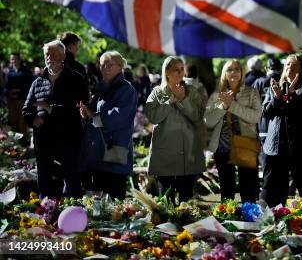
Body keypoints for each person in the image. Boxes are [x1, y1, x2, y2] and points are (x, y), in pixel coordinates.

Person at [22, 41, 88, 197]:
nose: (49, 57)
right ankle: (46, 214)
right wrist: (33, 120)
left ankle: (73, 215)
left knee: (71, 181)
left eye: (53, 54)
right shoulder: (37, 82)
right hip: (43, 140)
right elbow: (26, 109)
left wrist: (50, 108)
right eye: (47, 54)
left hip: (68, 138)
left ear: (63, 56)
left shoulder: (76, 79)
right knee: (45, 181)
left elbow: (79, 108)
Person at [145, 56, 206, 201]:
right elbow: (153, 117)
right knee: (166, 202)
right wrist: (169, 101)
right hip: (165, 157)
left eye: (181, 69)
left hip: (188, 155)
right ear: (166, 72)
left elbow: (198, 116)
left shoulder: (192, 91)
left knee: (186, 202)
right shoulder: (157, 92)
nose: (179, 73)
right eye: (175, 70)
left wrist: (183, 99)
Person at [79, 51, 137, 199]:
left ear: (120, 67)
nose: (105, 68)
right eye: (102, 64)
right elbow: (92, 115)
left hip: (114, 152)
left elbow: (118, 118)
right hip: (96, 154)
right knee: (98, 204)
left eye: (109, 64)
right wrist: (85, 113)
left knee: (115, 203)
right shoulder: (101, 88)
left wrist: (93, 117)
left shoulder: (127, 89)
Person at [260, 54, 302, 206]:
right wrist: (277, 97)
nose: (290, 68)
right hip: (276, 146)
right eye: (288, 65)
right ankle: (268, 218)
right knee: (273, 188)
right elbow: (266, 112)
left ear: (300, 70)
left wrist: (291, 95)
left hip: (298, 147)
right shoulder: (275, 87)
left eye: (294, 65)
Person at [205, 60, 261, 203]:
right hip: (222, 146)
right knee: (227, 191)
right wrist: (224, 105)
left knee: (248, 190)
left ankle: (250, 221)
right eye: (230, 69)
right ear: (225, 73)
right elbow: (208, 121)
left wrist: (233, 105)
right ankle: (227, 220)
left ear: (242, 72)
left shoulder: (251, 92)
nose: (234, 72)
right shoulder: (216, 95)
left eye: (237, 69)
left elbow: (256, 116)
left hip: (246, 145)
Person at [5, 53, 34, 146]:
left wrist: (19, 91)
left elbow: (30, 86)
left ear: (19, 60)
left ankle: (24, 142)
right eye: (11, 59)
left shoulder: (26, 71)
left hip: (23, 100)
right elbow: (6, 86)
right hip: (11, 100)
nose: (13, 61)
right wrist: (9, 92)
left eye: (15, 59)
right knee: (13, 122)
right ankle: (16, 143)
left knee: (22, 122)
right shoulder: (9, 72)